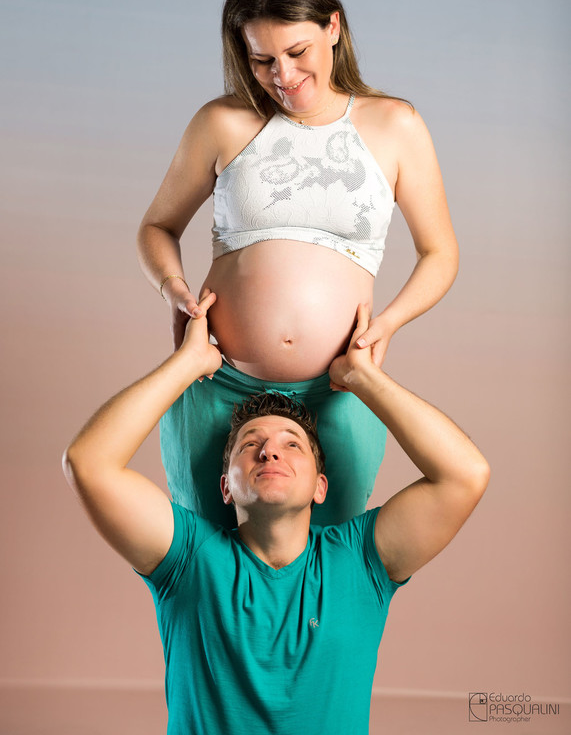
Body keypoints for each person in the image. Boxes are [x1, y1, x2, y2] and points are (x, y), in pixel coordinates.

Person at [63, 293, 489, 735]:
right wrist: (187, 363)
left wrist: (365, 379)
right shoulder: (189, 560)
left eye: (292, 444)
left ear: (320, 486)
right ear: (225, 487)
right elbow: (88, 463)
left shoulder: (359, 564)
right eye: (250, 445)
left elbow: (466, 475)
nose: (269, 451)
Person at [137, 0, 459, 527]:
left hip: (340, 385)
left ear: (333, 27)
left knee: (329, 561)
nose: (283, 76)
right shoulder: (222, 122)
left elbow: (441, 254)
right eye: (262, 60)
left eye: (296, 53)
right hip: (216, 382)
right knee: (204, 556)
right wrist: (173, 291)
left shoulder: (396, 125)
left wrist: (386, 324)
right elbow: (157, 226)